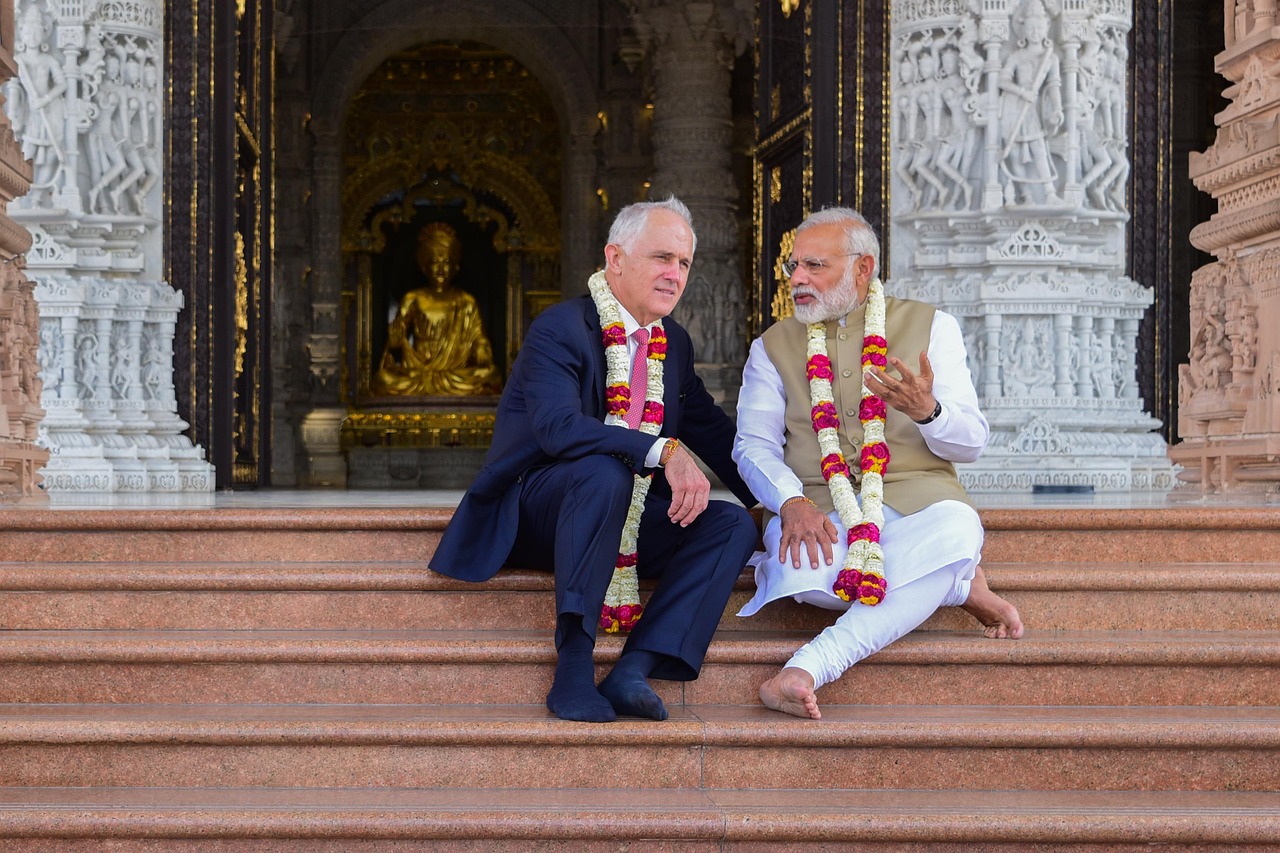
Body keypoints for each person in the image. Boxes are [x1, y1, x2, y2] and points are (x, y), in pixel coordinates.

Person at [430, 197, 758, 723]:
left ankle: (635, 668)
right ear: (616, 259)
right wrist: (661, 450)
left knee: (729, 523)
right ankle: (574, 670)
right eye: (662, 258)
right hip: (540, 509)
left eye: (684, 263)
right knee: (604, 472)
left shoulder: (672, 343)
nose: (675, 274)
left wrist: (788, 503)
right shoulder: (560, 328)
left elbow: (716, 437)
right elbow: (559, 430)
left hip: (625, 516)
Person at [733, 207, 1023, 721]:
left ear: (862, 269)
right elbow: (752, 446)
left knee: (957, 530)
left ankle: (808, 667)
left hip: (918, 500)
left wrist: (927, 412)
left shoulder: (932, 326)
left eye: (814, 266)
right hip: (818, 509)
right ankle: (956, 583)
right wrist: (791, 503)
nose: (797, 279)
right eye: (793, 267)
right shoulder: (771, 346)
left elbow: (972, 442)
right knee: (813, 576)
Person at [373, 222, 503, 396]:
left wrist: (481, 348)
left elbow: (478, 336)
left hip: (455, 374)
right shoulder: (413, 298)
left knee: (491, 375)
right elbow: (396, 341)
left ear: (456, 267)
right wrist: (395, 341)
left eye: (447, 262)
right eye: (435, 262)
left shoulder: (466, 301)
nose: (441, 269)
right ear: (425, 267)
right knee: (383, 379)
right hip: (418, 372)